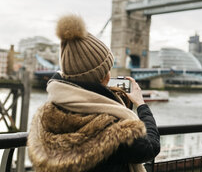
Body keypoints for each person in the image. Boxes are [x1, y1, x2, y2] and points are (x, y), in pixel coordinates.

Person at [27, 14, 160, 172]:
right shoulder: (114, 129)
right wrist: (141, 104)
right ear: (104, 77)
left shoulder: (45, 116)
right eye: (107, 69)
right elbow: (150, 147)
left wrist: (109, 97)